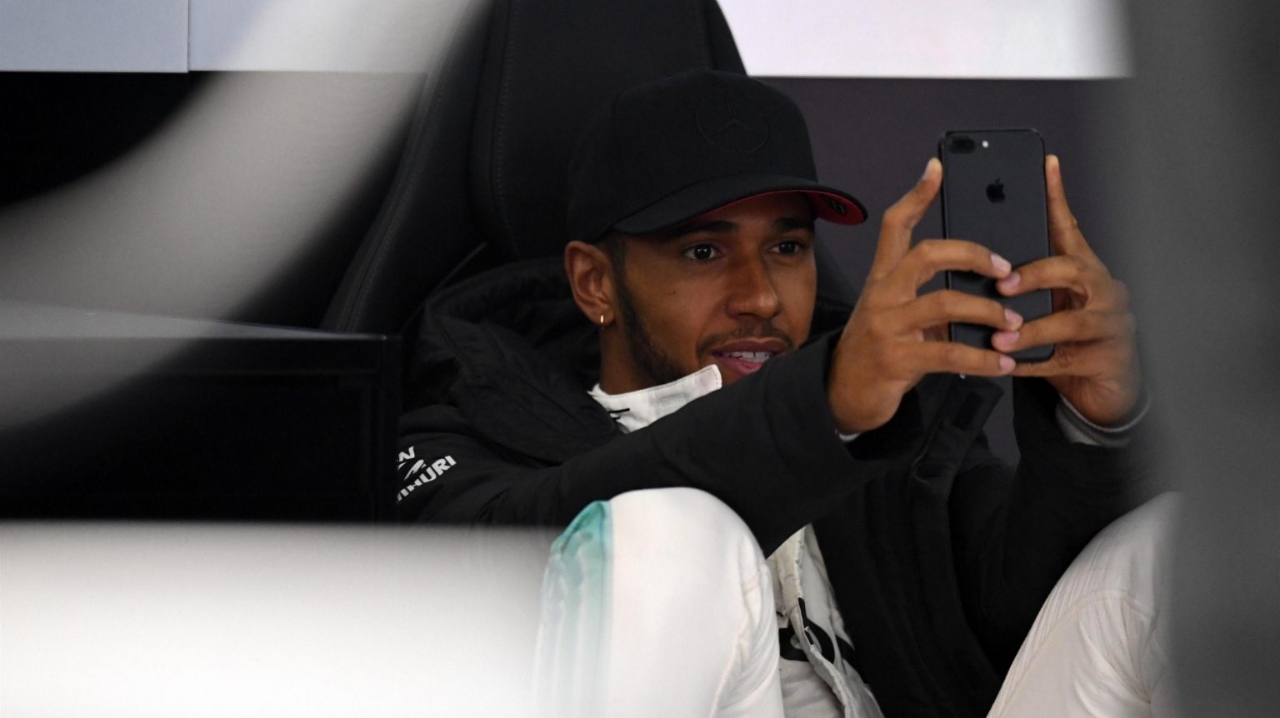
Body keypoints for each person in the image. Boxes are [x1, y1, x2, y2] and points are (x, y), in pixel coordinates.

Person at [397, 69, 1153, 717]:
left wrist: (1095, 427)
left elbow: (1014, 619)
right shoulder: (465, 429)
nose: (760, 295)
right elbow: (500, 554)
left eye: (787, 247)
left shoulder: (885, 423)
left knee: (1162, 547)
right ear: (595, 281)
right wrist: (824, 407)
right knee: (674, 528)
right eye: (704, 251)